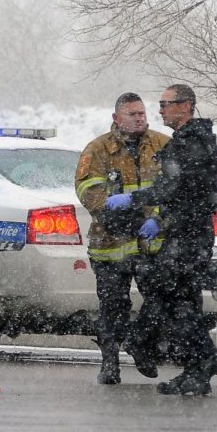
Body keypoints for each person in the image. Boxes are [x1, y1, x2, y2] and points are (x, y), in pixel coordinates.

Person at [106, 85, 217, 395]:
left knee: (173, 300)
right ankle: (200, 364)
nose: (160, 110)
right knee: (177, 300)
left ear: (185, 106)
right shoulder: (188, 141)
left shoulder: (192, 143)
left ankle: (190, 359)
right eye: (159, 105)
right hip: (183, 233)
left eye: (165, 104)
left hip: (187, 237)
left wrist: (133, 200)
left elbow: (173, 190)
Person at [75, 93, 169, 384]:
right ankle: (110, 363)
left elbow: (178, 190)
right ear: (116, 118)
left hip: (150, 245)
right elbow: (88, 191)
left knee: (160, 300)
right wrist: (123, 215)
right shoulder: (99, 149)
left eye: (141, 112)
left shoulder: (162, 145)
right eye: (132, 114)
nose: (139, 117)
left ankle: (141, 345)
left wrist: (159, 219)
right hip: (110, 245)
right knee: (113, 307)